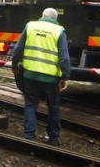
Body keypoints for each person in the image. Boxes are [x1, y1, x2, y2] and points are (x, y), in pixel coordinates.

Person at [11, 8, 70, 146]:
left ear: (42, 16)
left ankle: (29, 136)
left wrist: (14, 65)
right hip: (51, 78)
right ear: (55, 19)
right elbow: (64, 57)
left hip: (31, 76)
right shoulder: (59, 31)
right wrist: (65, 77)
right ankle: (54, 139)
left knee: (30, 105)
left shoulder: (30, 26)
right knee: (53, 107)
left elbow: (18, 48)